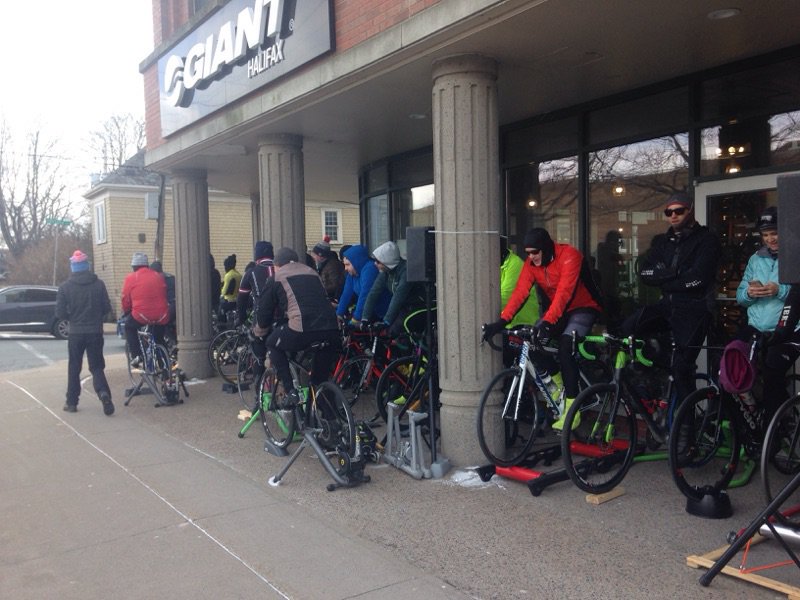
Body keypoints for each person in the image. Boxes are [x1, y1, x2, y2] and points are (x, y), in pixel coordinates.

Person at [484, 228, 603, 430]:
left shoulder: (569, 256)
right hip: (558, 311)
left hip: (583, 307)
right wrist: (501, 322)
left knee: (566, 347)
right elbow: (520, 293)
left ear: (546, 248)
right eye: (528, 253)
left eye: (535, 252)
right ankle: (558, 389)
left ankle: (572, 412)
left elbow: (564, 293)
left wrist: (547, 322)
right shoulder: (531, 264)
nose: (531, 257)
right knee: (530, 342)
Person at [628, 191, 721, 407]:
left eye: (679, 211)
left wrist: (664, 277)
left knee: (682, 370)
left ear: (690, 211)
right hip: (668, 305)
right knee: (627, 328)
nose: (673, 216)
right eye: (668, 212)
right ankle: (654, 382)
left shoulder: (707, 239)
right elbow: (644, 273)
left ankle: (686, 435)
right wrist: (675, 273)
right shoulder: (664, 241)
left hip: (695, 309)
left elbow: (698, 278)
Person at [257, 247, 341, 406]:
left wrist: (258, 333)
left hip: (303, 328)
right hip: (331, 328)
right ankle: (330, 420)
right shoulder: (312, 273)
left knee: (272, 343)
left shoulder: (276, 277)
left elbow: (264, 314)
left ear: (277, 265)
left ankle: (291, 391)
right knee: (319, 379)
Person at [737, 207, 794, 421]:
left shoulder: (795, 255)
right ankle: (751, 416)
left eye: (775, 232)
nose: (771, 238)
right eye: (766, 234)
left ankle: (775, 431)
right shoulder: (756, 258)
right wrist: (750, 293)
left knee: (772, 371)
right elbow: (741, 297)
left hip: (788, 328)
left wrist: (779, 290)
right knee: (730, 363)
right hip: (756, 326)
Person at [56, 250, 114, 415]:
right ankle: (103, 393)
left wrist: (72, 317)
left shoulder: (65, 287)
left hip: (75, 332)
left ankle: (72, 402)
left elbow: (59, 313)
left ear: (73, 267)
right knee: (96, 366)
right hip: (95, 331)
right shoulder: (99, 284)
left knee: (74, 366)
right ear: (87, 266)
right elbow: (107, 308)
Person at [361, 241, 426, 335]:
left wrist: (386, 321)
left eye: (378, 261)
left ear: (388, 262)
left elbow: (398, 296)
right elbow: (373, 293)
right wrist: (365, 318)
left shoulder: (406, 271)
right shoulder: (386, 272)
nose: (375, 264)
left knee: (395, 331)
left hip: (419, 305)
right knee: (389, 332)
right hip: (405, 306)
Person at [236, 241, 275, 386]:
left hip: (262, 320)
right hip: (283, 319)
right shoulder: (281, 269)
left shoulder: (251, 273)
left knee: (259, 355)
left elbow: (241, 300)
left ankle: (260, 395)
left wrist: (241, 319)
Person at [122, 252, 170, 367]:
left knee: (129, 326)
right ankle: (165, 369)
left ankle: (137, 355)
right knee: (159, 339)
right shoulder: (158, 276)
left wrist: (127, 311)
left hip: (142, 315)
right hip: (162, 315)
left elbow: (125, 299)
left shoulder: (131, 278)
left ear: (134, 266)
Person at [336, 244, 390, 325]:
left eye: (347, 264)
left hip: (383, 312)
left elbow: (365, 295)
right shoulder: (352, 273)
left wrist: (356, 318)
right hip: (368, 311)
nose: (345, 268)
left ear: (356, 262)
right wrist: (339, 314)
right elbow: (346, 294)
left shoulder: (370, 269)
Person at [310, 236, 345, 304]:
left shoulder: (332, 266)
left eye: (314, 255)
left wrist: (319, 289)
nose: (313, 258)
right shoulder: (324, 265)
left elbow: (335, 285)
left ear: (321, 256)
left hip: (334, 299)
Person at [149, 260, 176, 340]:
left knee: (160, 323)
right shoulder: (171, 277)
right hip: (178, 305)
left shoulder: (157, 278)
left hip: (170, 306)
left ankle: (169, 340)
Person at [219, 253, 242, 322]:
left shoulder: (228, 275)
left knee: (219, 310)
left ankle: (222, 326)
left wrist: (221, 287)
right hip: (237, 301)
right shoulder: (239, 275)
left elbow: (224, 292)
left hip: (228, 301)